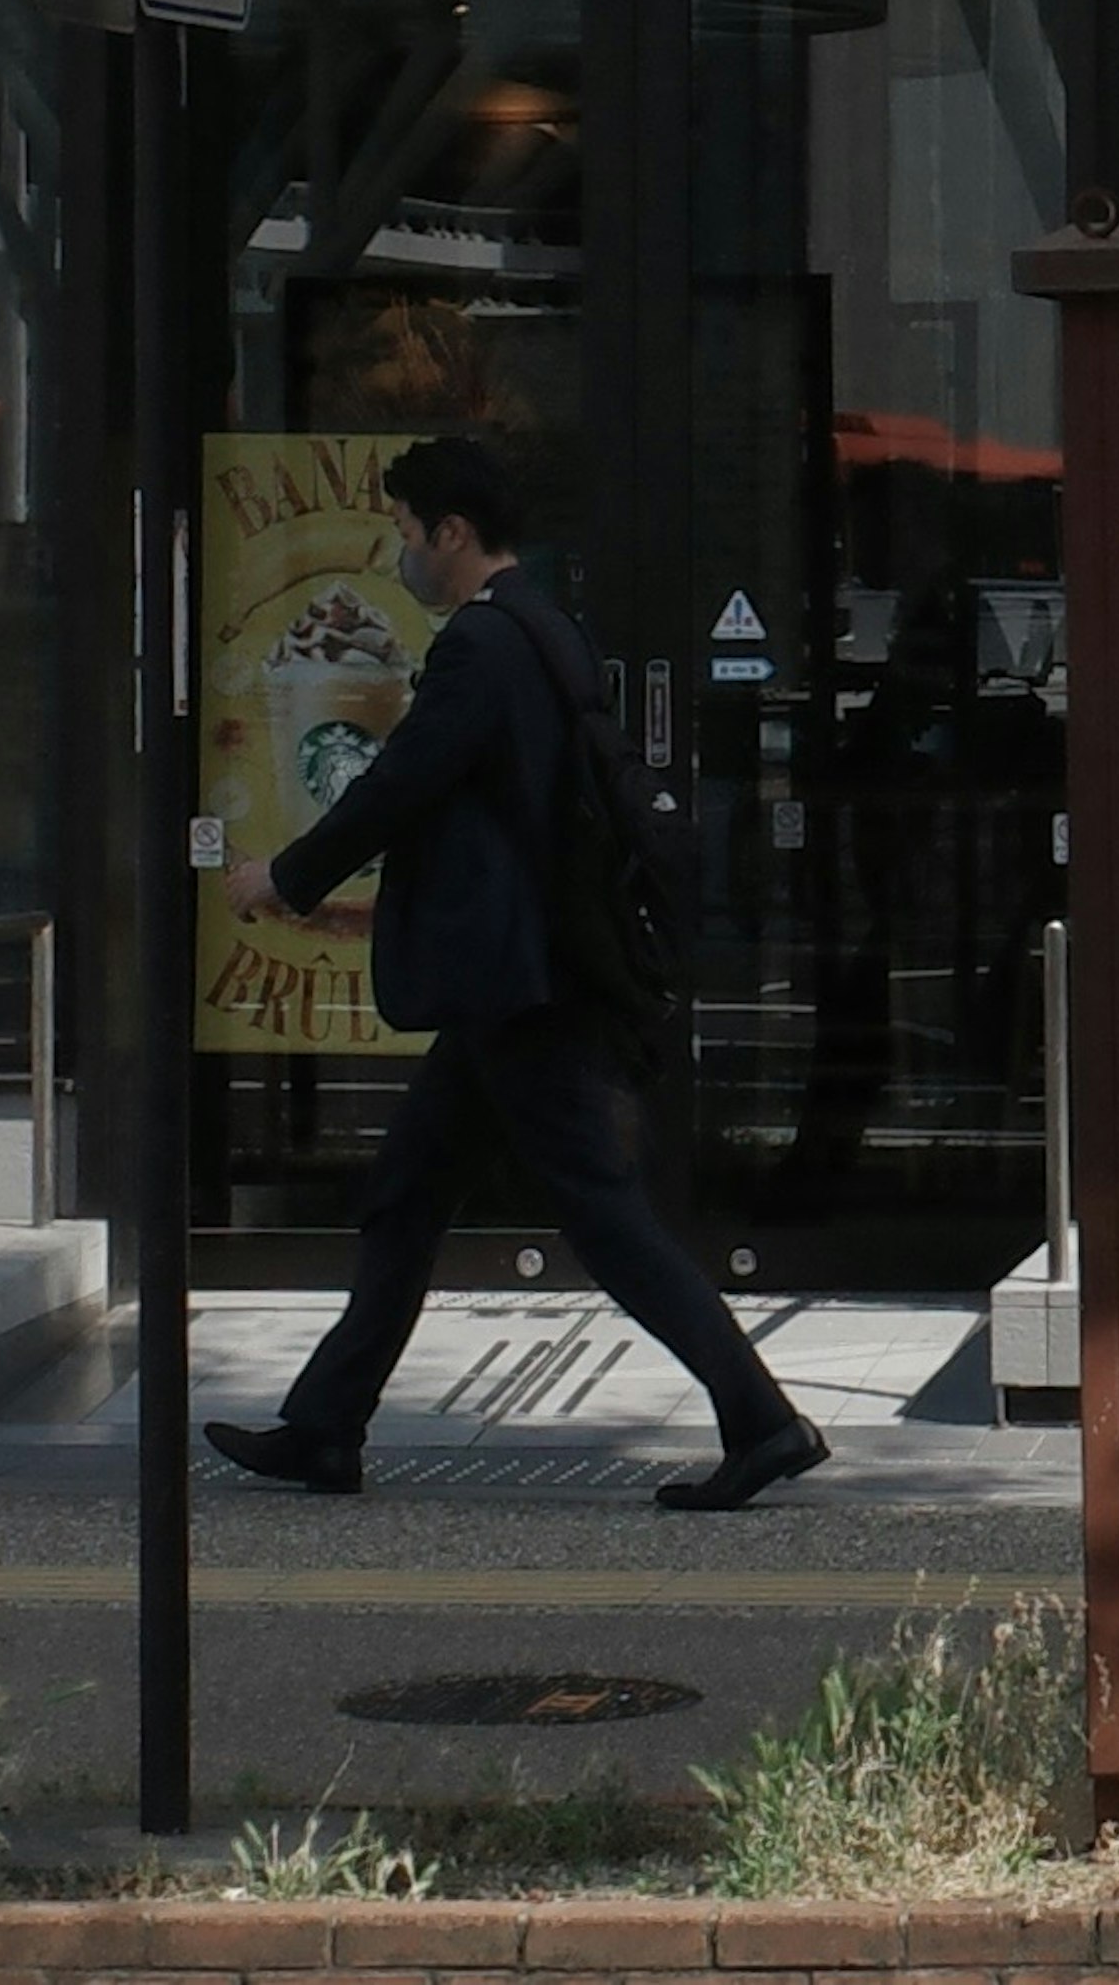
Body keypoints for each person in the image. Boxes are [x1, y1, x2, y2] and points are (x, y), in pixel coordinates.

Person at [202, 434, 827, 1513]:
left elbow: (398, 785)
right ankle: (323, 1429)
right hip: (523, 978)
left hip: (524, 993)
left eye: (405, 532)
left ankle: (763, 1421)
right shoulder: (547, 632)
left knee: (604, 1218)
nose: (399, 554)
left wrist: (285, 879)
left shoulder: (483, 651)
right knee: (406, 1196)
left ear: (451, 532)